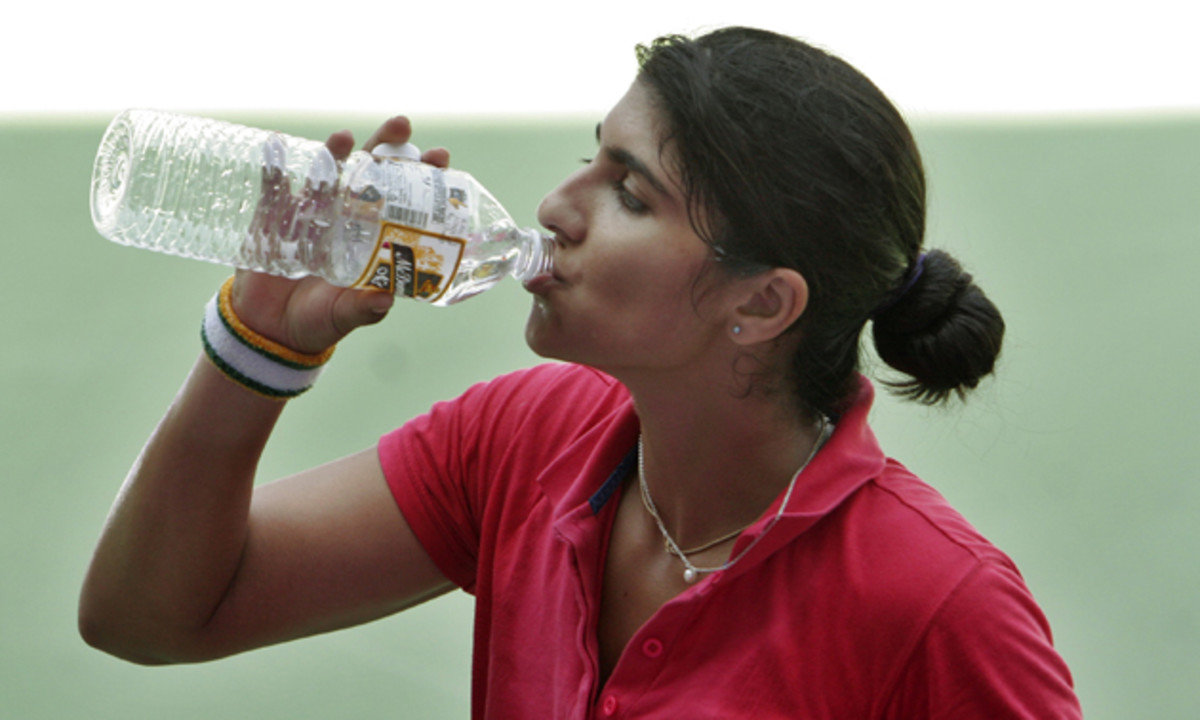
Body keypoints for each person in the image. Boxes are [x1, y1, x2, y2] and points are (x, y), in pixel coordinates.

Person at [79, 26, 1082, 718]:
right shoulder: (529, 439)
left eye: (630, 195)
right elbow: (152, 616)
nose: (558, 204)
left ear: (762, 304)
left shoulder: (941, 605)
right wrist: (260, 347)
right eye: (591, 158)